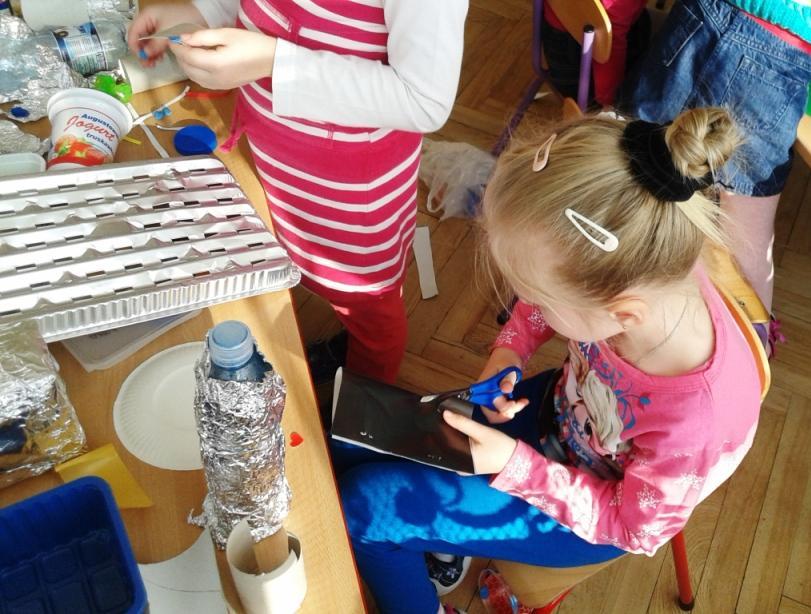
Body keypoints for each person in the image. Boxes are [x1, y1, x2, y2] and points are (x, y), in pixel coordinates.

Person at [336, 107, 763, 614]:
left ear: (621, 314)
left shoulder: (697, 422)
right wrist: (509, 350)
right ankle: (442, 543)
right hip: (546, 417)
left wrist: (515, 466)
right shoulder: (643, 264)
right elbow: (549, 302)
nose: (527, 301)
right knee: (347, 444)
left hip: (583, 513)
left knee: (365, 510)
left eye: (538, 294)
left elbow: (631, 528)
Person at [128, 0, 468, 385]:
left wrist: (275, 62)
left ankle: (362, 400)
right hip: (276, 161)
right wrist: (200, 13)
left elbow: (423, 101)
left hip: (351, 196)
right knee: (289, 256)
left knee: (367, 309)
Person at [619, 0, 811, 352]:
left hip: (708, 16)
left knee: (632, 165)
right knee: (749, 236)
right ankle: (752, 349)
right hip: (785, 51)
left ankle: (594, 275)